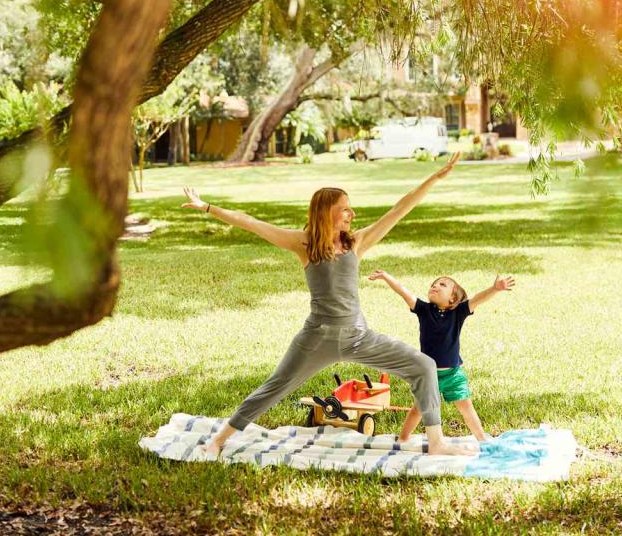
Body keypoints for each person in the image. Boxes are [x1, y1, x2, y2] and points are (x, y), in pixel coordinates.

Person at [182, 153, 476, 457]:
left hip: (358, 336)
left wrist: (434, 178)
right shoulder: (303, 244)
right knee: (275, 387)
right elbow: (253, 223)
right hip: (317, 338)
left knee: (424, 366)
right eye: (344, 208)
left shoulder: (355, 242)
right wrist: (207, 207)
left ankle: (437, 442)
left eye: (350, 207)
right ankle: (219, 440)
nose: (351, 213)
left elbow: (399, 209)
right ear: (326, 212)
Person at [367, 270, 515, 442]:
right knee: (418, 409)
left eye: (442, 284)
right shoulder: (424, 310)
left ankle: (482, 440)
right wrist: (386, 276)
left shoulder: (458, 313)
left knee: (466, 408)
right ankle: (402, 439)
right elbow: (403, 291)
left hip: (453, 374)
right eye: (433, 284)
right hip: (428, 375)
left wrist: (495, 289)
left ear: (452, 298)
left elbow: (477, 299)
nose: (435, 286)